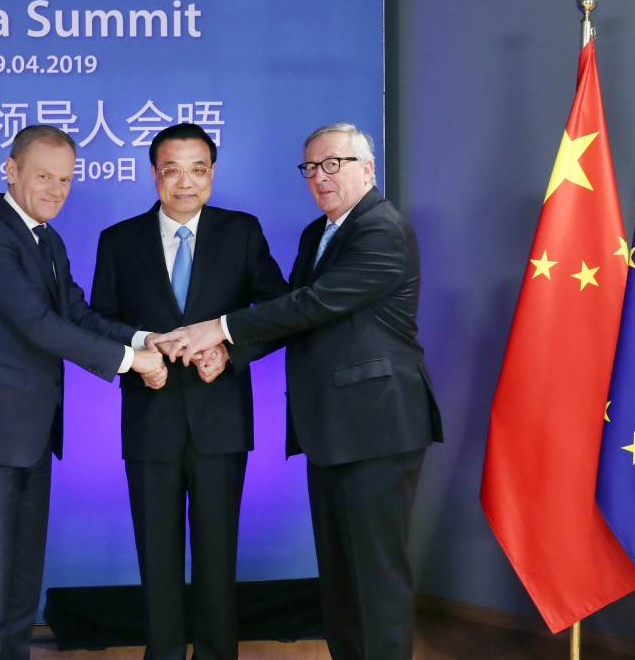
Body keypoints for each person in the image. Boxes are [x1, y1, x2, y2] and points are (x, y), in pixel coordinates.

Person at [152, 122, 443, 660]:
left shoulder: (381, 228)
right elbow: (294, 318)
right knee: (340, 579)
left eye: (334, 164)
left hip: (378, 427)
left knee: (375, 581)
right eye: (311, 167)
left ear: (367, 169)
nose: (321, 177)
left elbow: (314, 304)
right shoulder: (319, 233)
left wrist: (219, 329)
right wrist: (230, 354)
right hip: (331, 429)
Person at [0, 124, 167, 660]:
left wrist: (143, 338)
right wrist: (132, 363)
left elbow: (76, 314)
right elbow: (39, 325)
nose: (56, 190)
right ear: (11, 170)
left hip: (32, 432)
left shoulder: (47, 238)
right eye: (43, 176)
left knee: (22, 580)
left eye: (65, 179)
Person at [90, 123, 288, 660]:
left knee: (217, 559)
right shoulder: (119, 240)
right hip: (149, 419)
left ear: (212, 174)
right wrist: (140, 356)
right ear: (154, 174)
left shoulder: (241, 232)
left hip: (219, 421)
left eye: (197, 170)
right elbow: (98, 322)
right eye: (172, 170)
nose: (185, 182)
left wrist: (230, 351)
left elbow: (280, 311)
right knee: (156, 560)